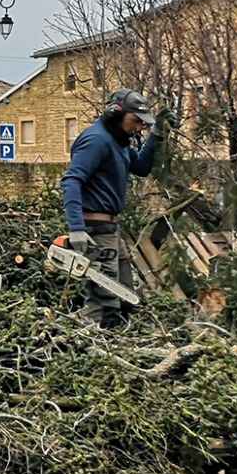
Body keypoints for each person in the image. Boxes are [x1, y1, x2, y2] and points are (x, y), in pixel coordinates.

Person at [60, 90, 162, 327]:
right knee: (104, 303)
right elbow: (72, 180)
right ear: (116, 114)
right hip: (95, 229)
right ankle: (88, 351)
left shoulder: (118, 142)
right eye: (136, 121)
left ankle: (119, 345)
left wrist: (157, 136)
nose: (139, 127)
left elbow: (142, 167)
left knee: (125, 296)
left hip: (111, 230)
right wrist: (76, 228)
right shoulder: (97, 140)